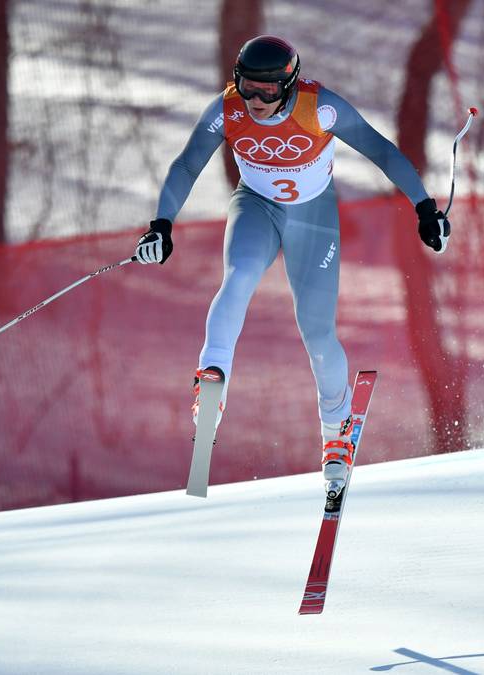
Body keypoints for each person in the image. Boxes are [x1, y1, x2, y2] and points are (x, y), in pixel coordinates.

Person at [134, 35, 450, 489]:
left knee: (317, 331)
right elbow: (186, 166)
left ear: (288, 85)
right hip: (256, 208)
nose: (256, 99)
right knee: (239, 276)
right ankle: (212, 380)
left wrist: (424, 206)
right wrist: (161, 225)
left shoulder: (320, 108)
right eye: (247, 86)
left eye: (267, 89)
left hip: (313, 220)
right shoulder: (228, 110)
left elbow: (382, 150)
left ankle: (335, 429)